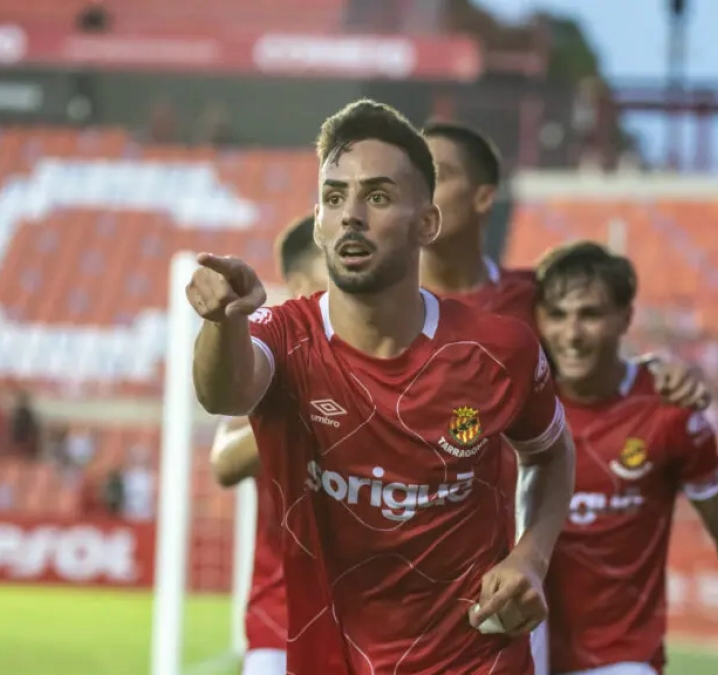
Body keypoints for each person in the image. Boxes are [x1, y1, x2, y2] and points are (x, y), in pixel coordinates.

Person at [189, 99, 574, 673]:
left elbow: (551, 453)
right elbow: (223, 395)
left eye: (377, 196)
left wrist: (531, 556)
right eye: (334, 196)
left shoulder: (500, 350)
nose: (350, 215)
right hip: (332, 658)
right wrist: (223, 322)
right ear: (318, 222)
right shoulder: (285, 335)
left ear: (427, 222)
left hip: (474, 659)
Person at [422, 121, 710, 673]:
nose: (422, 189)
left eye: (438, 174)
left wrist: (655, 369)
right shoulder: (383, 304)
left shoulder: (528, 299)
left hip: (500, 556)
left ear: (485, 197)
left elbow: (590, 353)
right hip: (402, 548)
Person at [532, 242, 718, 675]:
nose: (571, 334)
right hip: (520, 656)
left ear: (625, 318)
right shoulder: (517, 402)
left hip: (621, 662)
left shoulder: (669, 413)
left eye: (590, 315)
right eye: (557, 315)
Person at [209, 213, 323, 675]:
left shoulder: (391, 356)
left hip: (373, 623)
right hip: (282, 619)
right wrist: (308, 407)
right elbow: (224, 463)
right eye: (331, 271)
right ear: (298, 282)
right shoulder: (272, 356)